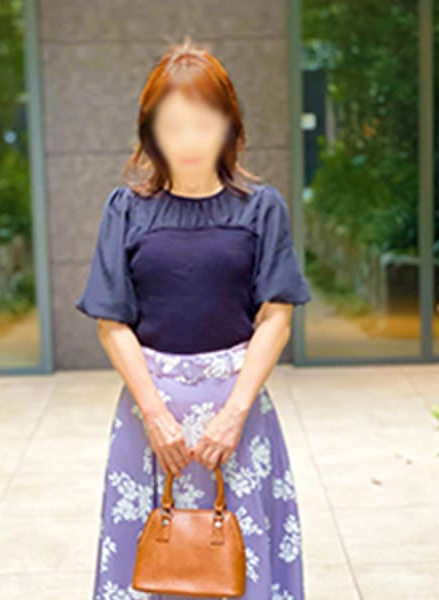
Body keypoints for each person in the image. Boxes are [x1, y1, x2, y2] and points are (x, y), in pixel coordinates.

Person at [75, 37, 311, 600]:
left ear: (229, 127)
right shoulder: (126, 209)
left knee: (238, 563)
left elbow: (276, 316)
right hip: (150, 422)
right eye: (173, 125)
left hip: (238, 420)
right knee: (153, 563)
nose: (188, 140)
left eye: (203, 124)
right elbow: (112, 322)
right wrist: (156, 415)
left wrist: (233, 414)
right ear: (150, 131)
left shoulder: (261, 208)